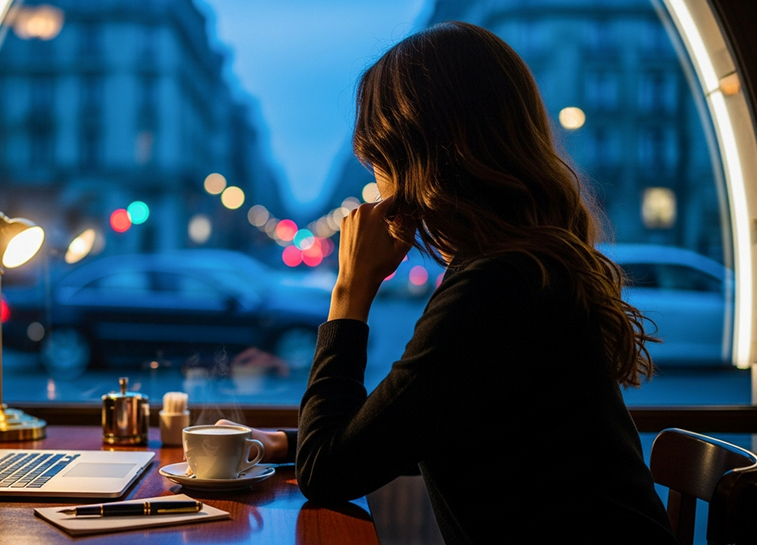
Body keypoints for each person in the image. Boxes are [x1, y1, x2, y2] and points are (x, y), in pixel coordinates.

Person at [226, 21, 677, 544]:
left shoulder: (494, 288)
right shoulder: (527, 268)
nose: (376, 186)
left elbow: (328, 473)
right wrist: (289, 443)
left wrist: (350, 290)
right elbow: (420, 421)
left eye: (377, 162)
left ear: (415, 158)